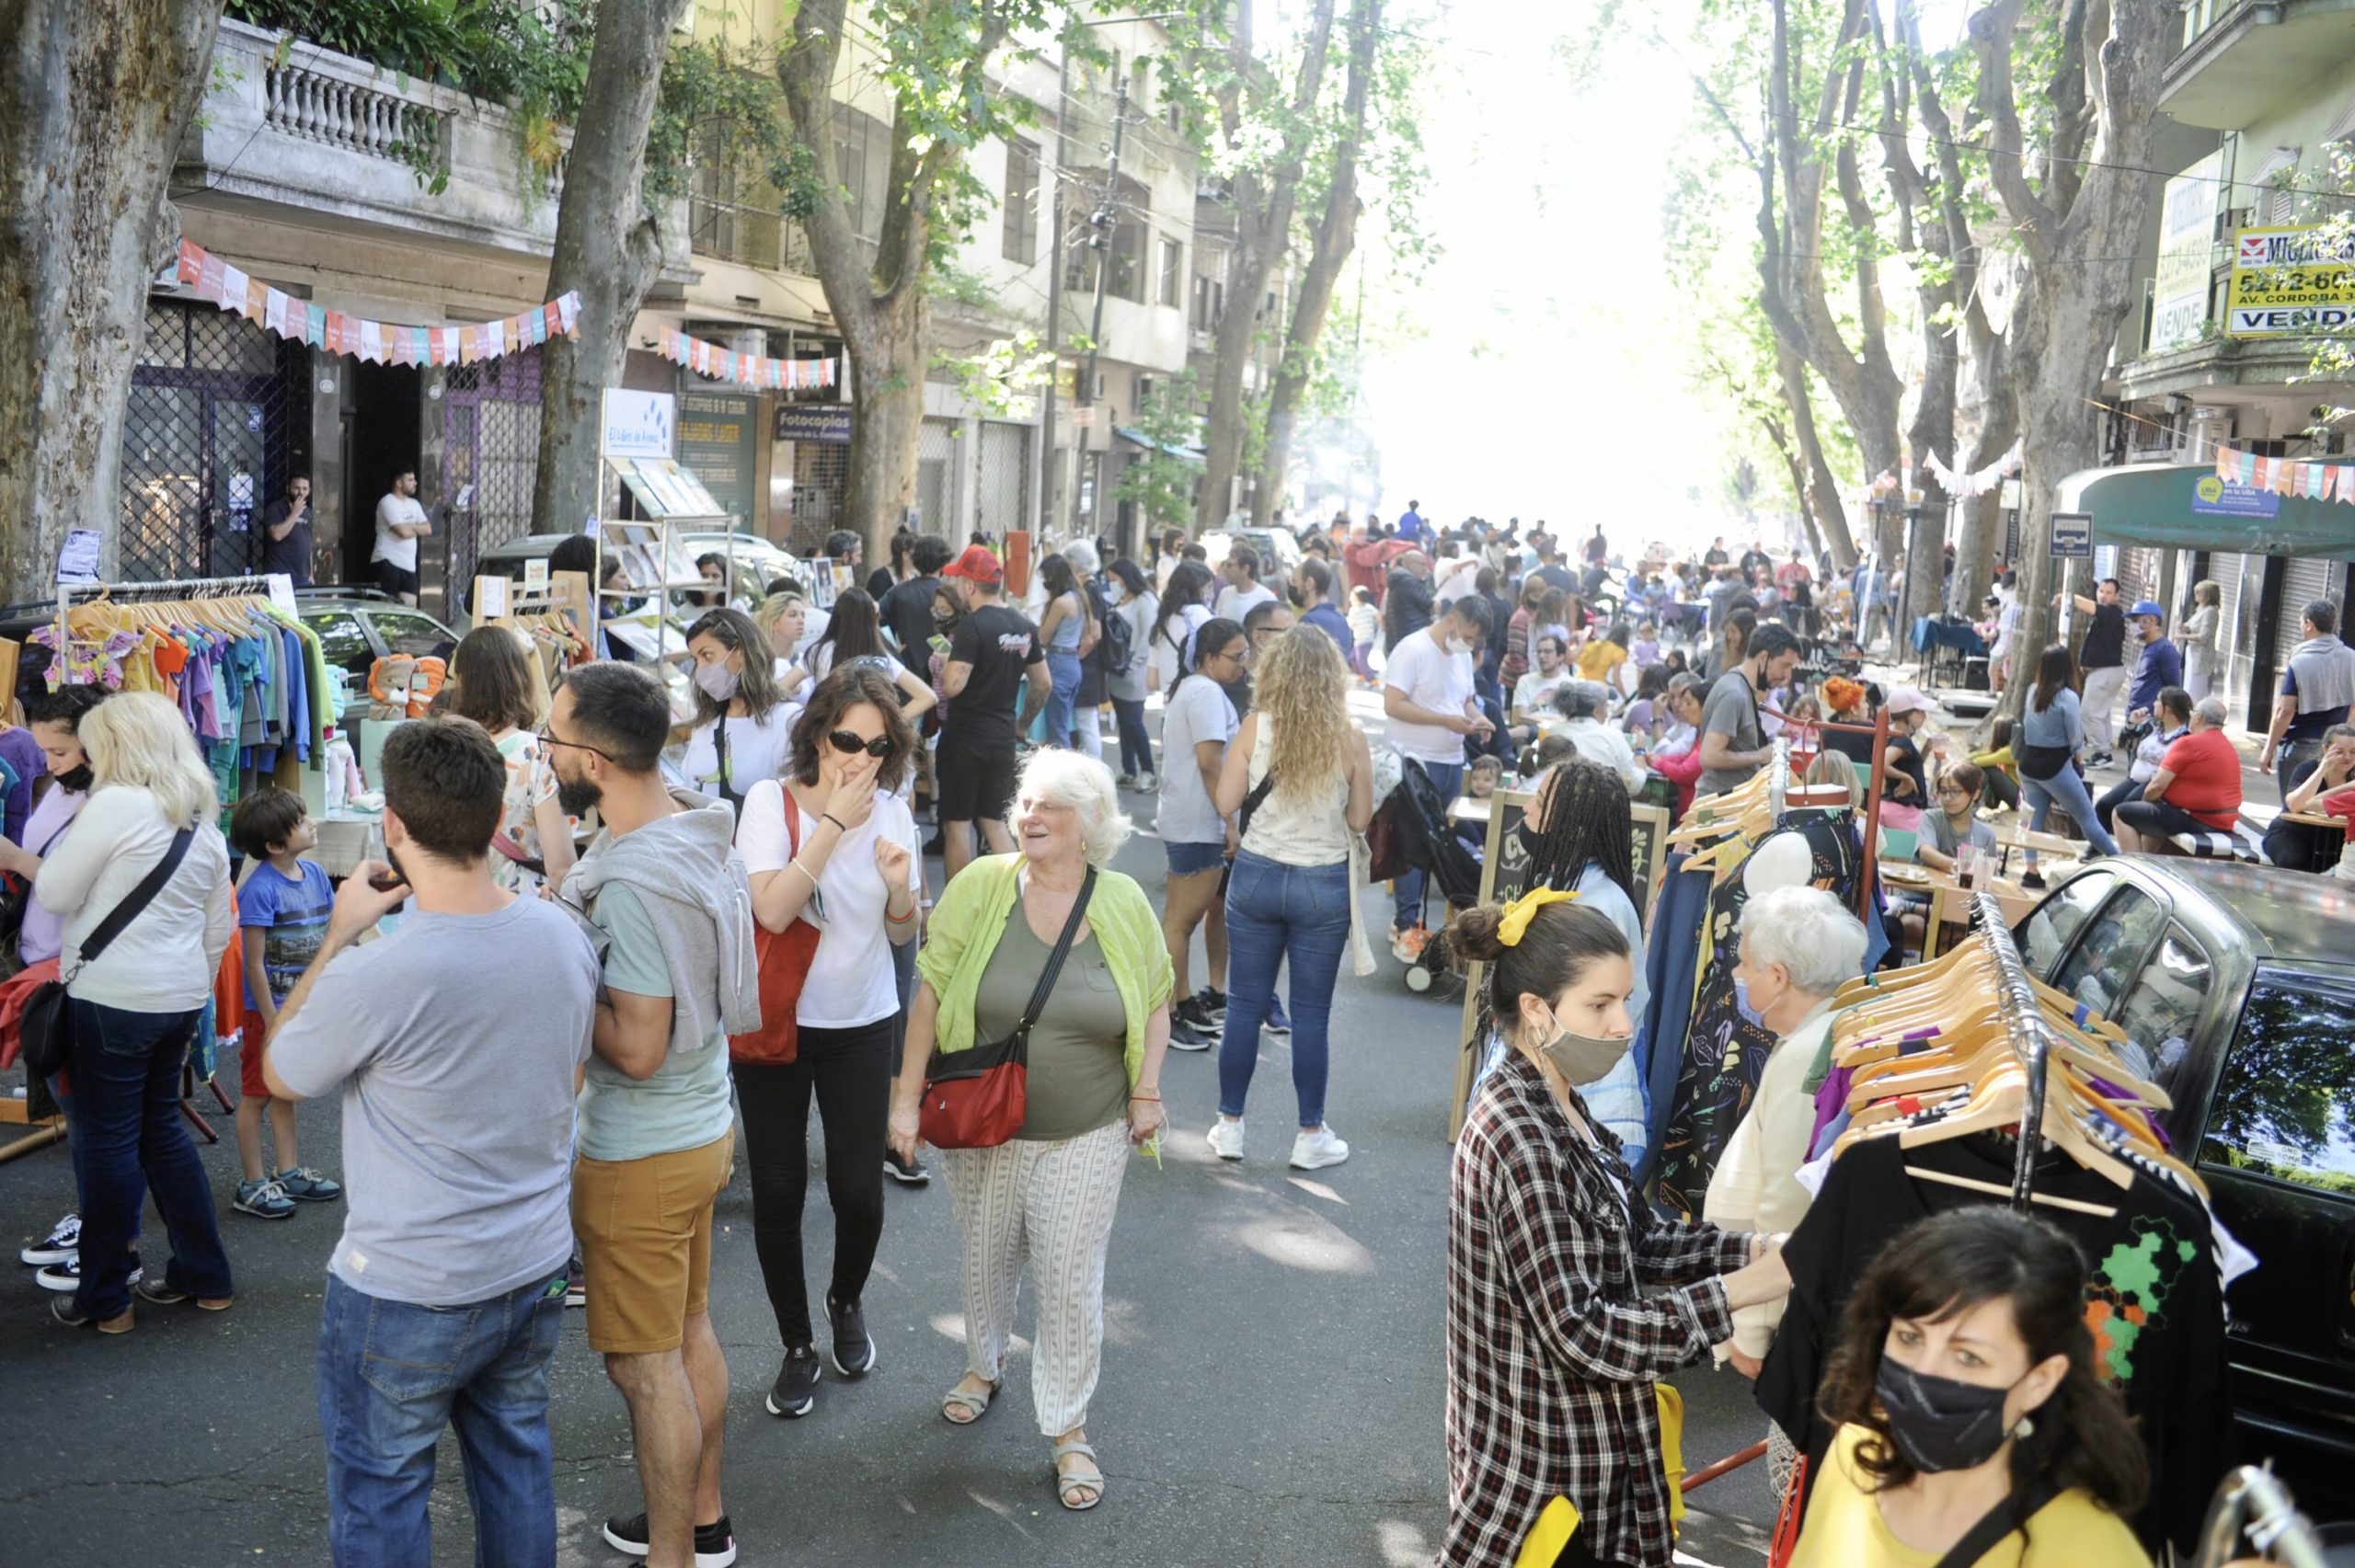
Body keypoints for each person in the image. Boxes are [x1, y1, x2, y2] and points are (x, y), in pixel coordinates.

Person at [261, 717, 601, 1567]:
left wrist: (338, 932)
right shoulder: (561, 934)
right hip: (531, 1259)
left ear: (394, 826)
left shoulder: (379, 970)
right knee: (516, 1468)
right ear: (495, 818)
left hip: (409, 1281)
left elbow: (281, 1072)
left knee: (382, 1495)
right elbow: (570, 1073)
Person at [1442, 892, 1791, 1568]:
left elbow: (1637, 1238)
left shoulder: (1558, 1101)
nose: (1624, 1023)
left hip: (1586, 1460)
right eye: (1599, 1005)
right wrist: (1744, 1288)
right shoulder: (1517, 1135)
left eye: (1625, 1000)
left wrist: (1753, 1249)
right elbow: (1583, 1332)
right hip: (1545, 1484)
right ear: (1537, 1010)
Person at [887, 750, 1173, 1513]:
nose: (1030, 816)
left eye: (1050, 805)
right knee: (986, 1254)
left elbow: (1155, 998)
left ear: (1090, 822)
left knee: (1069, 1275)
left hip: (1088, 1125)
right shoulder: (982, 884)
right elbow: (929, 992)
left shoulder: (1122, 902)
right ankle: (984, 1364)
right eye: (1025, 803)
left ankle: (1068, 1425)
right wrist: (905, 1100)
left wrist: (1147, 1090)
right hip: (986, 1121)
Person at [546, 662, 762, 1568]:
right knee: (687, 1330)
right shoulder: (695, 826)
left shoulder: (632, 886)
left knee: (643, 1367)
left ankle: (674, 1554)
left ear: (594, 762)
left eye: (553, 739)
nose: (545, 753)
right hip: (703, 1126)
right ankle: (703, 1521)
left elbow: (635, 1045)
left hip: (641, 1153)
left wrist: (558, 975)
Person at [733, 666, 921, 1420]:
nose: (861, 759)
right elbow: (773, 911)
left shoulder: (895, 812)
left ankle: (846, 1298)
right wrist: (834, 824)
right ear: (817, 734)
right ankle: (797, 1343)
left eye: (878, 747)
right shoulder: (768, 802)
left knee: (859, 1194)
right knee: (779, 1191)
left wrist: (902, 892)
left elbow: (902, 933)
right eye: (847, 739)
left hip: (862, 1020)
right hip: (778, 1023)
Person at [1789, 1208, 2152, 1567]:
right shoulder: (1852, 1457)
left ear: (2040, 1381)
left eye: (1968, 1357)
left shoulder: (2095, 1554)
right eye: (1910, 1337)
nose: (1923, 1371)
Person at [34, 692, 236, 1332]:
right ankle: (205, 1276)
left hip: (111, 997)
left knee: (109, 1144)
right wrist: (191, 989)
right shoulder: (201, 819)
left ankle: (106, 1298)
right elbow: (218, 928)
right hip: (179, 997)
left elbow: (55, 892)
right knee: (162, 1133)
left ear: (117, 746)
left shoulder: (115, 804)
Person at [1206, 625, 1373, 1171]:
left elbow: (1226, 801)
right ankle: (1309, 1134)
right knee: (1310, 1015)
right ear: (1332, 677)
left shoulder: (1255, 727)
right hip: (1321, 883)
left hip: (1256, 874)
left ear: (1275, 672)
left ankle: (1230, 1127)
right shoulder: (1350, 737)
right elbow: (1359, 820)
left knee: (1243, 1006)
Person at [1704, 887, 1868, 1402]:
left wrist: (1751, 1328)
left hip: (1779, 1297)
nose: (1738, 974)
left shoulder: (1807, 1054)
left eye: (1745, 964)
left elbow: (1786, 1203)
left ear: (1777, 977)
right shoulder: (1822, 1031)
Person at [226, 787, 342, 1222]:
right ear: (275, 844)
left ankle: (288, 1171)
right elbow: (253, 963)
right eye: (300, 820)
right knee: (256, 1094)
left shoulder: (315, 874)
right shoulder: (259, 889)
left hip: (303, 1006)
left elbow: (328, 939)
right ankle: (252, 1182)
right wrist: (273, 1020)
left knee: (284, 1088)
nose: (311, 823)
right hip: (269, 1012)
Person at [1383, 597, 1493, 945]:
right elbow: (1393, 704)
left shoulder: (1461, 655)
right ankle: (1406, 924)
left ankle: (1412, 922)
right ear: (1451, 621)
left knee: (1440, 844)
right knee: (1413, 843)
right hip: (1416, 761)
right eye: (1468, 636)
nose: (1470, 645)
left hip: (1451, 759)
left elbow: (1465, 700)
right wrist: (1444, 720)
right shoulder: (1413, 649)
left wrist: (1478, 718)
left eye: (1475, 640)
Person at [936, 545, 1049, 881]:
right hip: (1002, 737)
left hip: (965, 739)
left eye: (959, 581)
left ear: (970, 585)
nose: (957, 588)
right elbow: (1043, 683)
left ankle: (959, 900)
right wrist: (1022, 725)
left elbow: (953, 685)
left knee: (957, 825)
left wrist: (946, 663)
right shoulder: (1024, 625)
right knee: (993, 822)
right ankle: (1021, 892)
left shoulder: (972, 626)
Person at [1159, 618, 1246, 1049]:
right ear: (1209, 658)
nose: (1243, 664)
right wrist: (1229, 821)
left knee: (1180, 920)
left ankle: (1182, 999)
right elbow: (1211, 763)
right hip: (1199, 821)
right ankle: (1167, 1015)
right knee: (1181, 921)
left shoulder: (1194, 690)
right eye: (1236, 656)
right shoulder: (1207, 693)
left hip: (1188, 817)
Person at [445, 625, 578, 897]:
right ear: (519, 679)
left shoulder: (442, 749)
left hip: (454, 902)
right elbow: (560, 868)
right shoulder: (538, 754)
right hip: (520, 905)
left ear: (462, 680)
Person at [677, 609, 798, 818]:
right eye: (696, 660)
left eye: (707, 656)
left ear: (740, 652)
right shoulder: (706, 724)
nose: (700, 670)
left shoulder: (787, 720)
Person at [2016, 644, 2120, 879]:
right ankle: (2119, 861)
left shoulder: (2033, 690)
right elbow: (2075, 733)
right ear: (2067, 667)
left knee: (2033, 820)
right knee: (2087, 816)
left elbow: (2027, 723)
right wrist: (2079, 757)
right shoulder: (2068, 697)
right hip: (2055, 766)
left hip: (2028, 763)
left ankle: (2030, 871)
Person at [789, 590, 938, 735]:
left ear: (837, 617)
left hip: (830, 734)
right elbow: (928, 697)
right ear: (870, 619)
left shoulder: (818, 651)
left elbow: (784, 686)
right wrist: (889, 721)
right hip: (871, 738)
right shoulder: (880, 657)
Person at [2115, 695, 2242, 853]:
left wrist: (2145, 803)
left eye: (2193, 713)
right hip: (2222, 819)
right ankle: (2148, 859)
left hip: (2201, 820)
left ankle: (2135, 864)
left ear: (2198, 718)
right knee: (2157, 811)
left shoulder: (2189, 743)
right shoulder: (2227, 745)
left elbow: (2155, 787)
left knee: (2121, 813)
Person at [2260, 597, 2355, 805]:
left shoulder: (2300, 661)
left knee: (2293, 806)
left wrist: (2269, 748)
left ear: (2309, 624)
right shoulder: (2351, 658)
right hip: (2336, 746)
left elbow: (2285, 711)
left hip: (2300, 743)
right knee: (2327, 807)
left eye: (2301, 622)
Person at [1698, 624, 1804, 798]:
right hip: (1722, 806)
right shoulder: (1733, 694)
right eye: (1785, 666)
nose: (1788, 675)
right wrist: (1760, 756)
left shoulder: (1742, 689)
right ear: (1763, 658)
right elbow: (1710, 756)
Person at [2093, 687, 2190, 837]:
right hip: (2135, 779)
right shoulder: (2151, 726)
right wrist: (2131, 724)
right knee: (2104, 804)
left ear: (2169, 710)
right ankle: (2099, 846)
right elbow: (2123, 744)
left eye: (2158, 700)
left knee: (2126, 807)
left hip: (2156, 784)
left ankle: (2128, 846)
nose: (2154, 704)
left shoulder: (2185, 736)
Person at [1105, 558, 1159, 792]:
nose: (1112, 583)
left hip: (1134, 672)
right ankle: (1129, 769)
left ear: (1126, 577)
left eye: (1114, 579)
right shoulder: (1120, 598)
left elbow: (1148, 638)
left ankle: (1148, 771)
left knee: (1134, 722)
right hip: (1118, 671)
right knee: (1124, 723)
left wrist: (1132, 664)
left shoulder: (1145, 600)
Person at [2061, 578, 2129, 761]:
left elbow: (2086, 605)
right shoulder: (2104, 616)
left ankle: (2102, 752)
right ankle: (2104, 750)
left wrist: (2066, 596)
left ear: (2117, 596)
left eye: (2109, 593)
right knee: (2101, 714)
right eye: (2101, 591)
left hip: (2106, 672)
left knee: (2089, 713)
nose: (2104, 596)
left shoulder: (2113, 613)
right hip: (2104, 672)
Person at [1036, 553, 1095, 750]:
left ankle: (1064, 768)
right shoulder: (1080, 597)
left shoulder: (1061, 603)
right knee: (1061, 724)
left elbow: (1044, 637)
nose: (1044, 584)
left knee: (1057, 730)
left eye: (1046, 578)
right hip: (1072, 662)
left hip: (1058, 662)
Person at [1546, 681, 1647, 795]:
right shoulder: (1612, 735)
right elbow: (1634, 785)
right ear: (1597, 711)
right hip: (1600, 803)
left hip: (1558, 800)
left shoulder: (1554, 731)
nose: (1607, 713)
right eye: (1605, 708)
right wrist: (1640, 750)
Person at [878, 535, 953, 661]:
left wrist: (889, 646)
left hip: (906, 664)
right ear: (944, 562)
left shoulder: (898, 591)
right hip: (941, 663)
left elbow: (871, 614)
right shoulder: (950, 594)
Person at [1147, 560, 1215, 694]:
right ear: (1197, 589)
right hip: (1194, 697)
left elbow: (1152, 682)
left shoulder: (1162, 617)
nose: (1212, 593)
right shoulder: (1198, 613)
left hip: (1169, 700)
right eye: (1209, 587)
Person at [371, 468, 431, 605]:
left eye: (414, 479)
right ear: (399, 483)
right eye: (410, 480)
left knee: (409, 608)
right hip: (388, 561)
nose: (415, 483)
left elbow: (428, 529)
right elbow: (403, 532)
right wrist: (416, 528)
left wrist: (409, 526)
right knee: (387, 608)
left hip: (409, 566)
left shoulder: (414, 504)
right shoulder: (387, 502)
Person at [2120, 601, 2182, 727]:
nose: (2133, 626)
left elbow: (2174, 689)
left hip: (2149, 720)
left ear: (2152, 620)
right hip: (2136, 717)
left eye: (2136, 620)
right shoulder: (2148, 647)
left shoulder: (2165, 650)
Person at [258, 474, 316, 587]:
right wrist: (294, 514)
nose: (301, 492)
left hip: (303, 577)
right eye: (297, 488)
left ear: (309, 491)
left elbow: (309, 544)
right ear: (288, 489)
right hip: (280, 576)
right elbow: (276, 535)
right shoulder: (276, 508)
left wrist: (311, 573)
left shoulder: (308, 513)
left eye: (304, 489)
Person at [1292, 556, 1352, 659]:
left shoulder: (1308, 621)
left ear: (1309, 583)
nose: (1293, 587)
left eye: (1295, 581)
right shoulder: (1342, 620)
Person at [1511, 633, 1574, 731]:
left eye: (1547, 652)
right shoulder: (1525, 681)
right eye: (1539, 652)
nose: (1541, 656)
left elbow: (1572, 719)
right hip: (1532, 731)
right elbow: (1521, 717)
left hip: (1561, 732)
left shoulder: (1572, 684)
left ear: (1560, 656)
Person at [1384, 549, 1437, 652]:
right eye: (1423, 565)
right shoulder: (1408, 581)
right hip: (1412, 638)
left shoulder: (1398, 579)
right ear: (1411, 564)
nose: (1425, 569)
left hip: (1401, 639)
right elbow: (1431, 607)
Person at [2177, 579, 2222, 702]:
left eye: (2199, 592)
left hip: (2201, 656)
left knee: (2195, 689)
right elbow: (2191, 627)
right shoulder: (2200, 610)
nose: (2195, 594)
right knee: (2188, 686)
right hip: (2192, 653)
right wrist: (2183, 627)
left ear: (2207, 595)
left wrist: (2182, 636)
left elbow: (2203, 636)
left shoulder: (2210, 611)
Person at [1212, 541, 1275, 623]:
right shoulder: (1225, 593)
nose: (1224, 569)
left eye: (1229, 565)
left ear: (1245, 569)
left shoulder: (1266, 598)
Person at [1345, 585, 1381, 685]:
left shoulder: (1353, 610)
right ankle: (1361, 674)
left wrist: (1348, 622)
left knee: (1362, 661)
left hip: (1362, 640)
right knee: (1353, 658)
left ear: (1355, 598)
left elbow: (1351, 625)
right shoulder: (1369, 607)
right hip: (1368, 639)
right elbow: (1378, 617)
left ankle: (1372, 679)